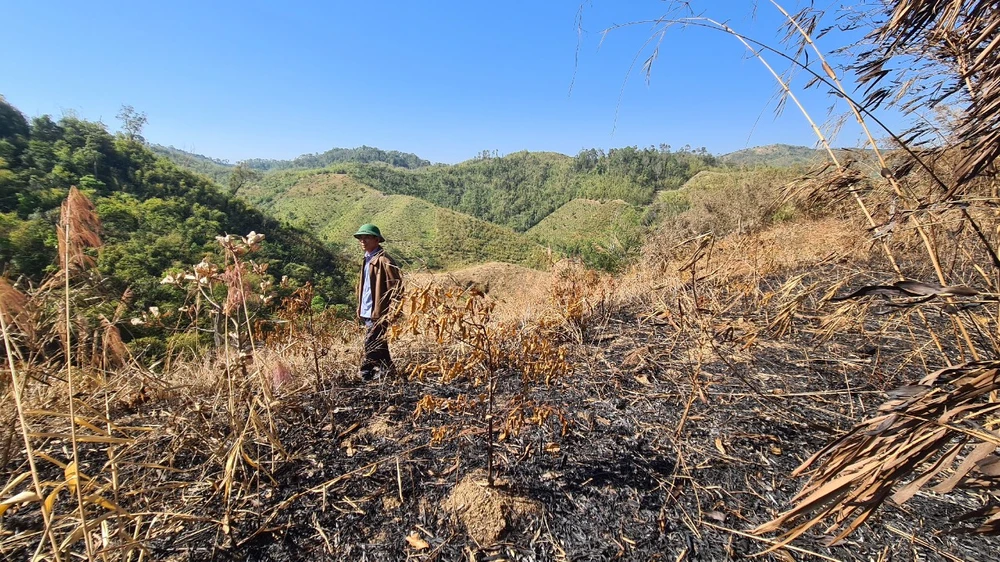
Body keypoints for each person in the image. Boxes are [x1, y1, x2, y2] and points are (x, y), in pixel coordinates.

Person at [354, 223, 402, 380]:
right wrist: (360, 307)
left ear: (376, 240)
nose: (363, 241)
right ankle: (388, 371)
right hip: (368, 310)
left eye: (367, 237)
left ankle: (366, 372)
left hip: (380, 312)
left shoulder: (385, 261)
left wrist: (393, 311)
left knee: (371, 342)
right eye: (361, 238)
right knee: (380, 344)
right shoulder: (367, 259)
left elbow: (397, 288)